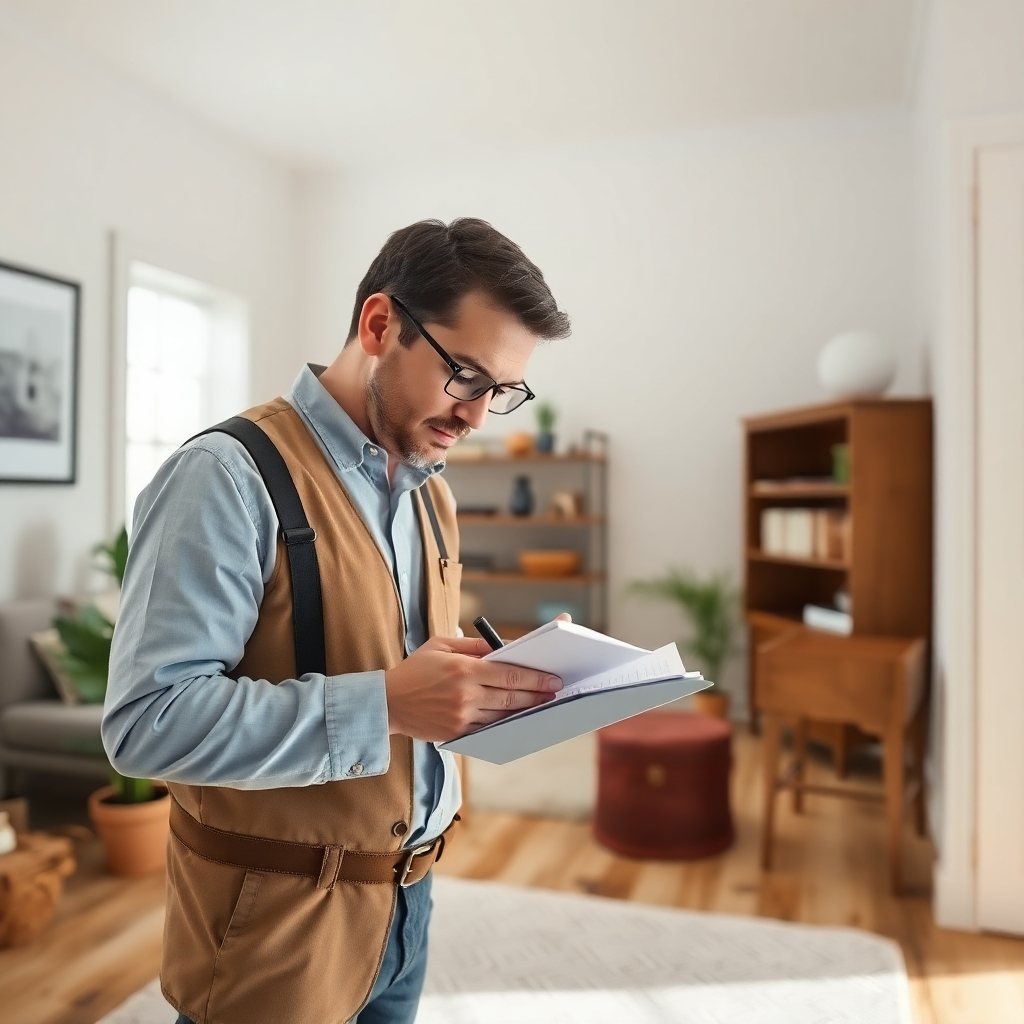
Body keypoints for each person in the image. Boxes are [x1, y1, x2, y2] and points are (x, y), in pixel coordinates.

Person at [102, 218, 572, 1024]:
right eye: (465, 376)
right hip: (273, 928)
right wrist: (387, 702)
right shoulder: (225, 477)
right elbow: (147, 725)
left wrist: (474, 695)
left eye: (502, 391)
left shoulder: (433, 490)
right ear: (380, 325)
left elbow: (398, 669)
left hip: (408, 906)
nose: (480, 416)